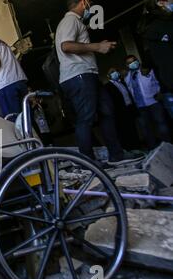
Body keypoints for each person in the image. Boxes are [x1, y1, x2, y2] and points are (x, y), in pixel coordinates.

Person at [55, 0, 142, 165]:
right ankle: (87, 163)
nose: (90, 6)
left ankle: (116, 155)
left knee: (107, 111)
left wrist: (101, 47)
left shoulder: (76, 22)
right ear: (84, 3)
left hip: (89, 74)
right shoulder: (70, 20)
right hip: (79, 75)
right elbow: (66, 46)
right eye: (89, 3)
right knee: (86, 118)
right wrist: (98, 47)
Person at [124, 55, 171, 149]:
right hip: (140, 107)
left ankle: (168, 146)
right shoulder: (127, 77)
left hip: (153, 102)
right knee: (145, 129)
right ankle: (153, 148)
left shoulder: (148, 70)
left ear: (137, 61)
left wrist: (160, 93)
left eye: (134, 61)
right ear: (126, 65)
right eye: (129, 63)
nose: (132, 64)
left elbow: (159, 81)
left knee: (161, 124)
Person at [105, 68, 142, 150]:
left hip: (129, 108)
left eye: (115, 71)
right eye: (112, 72)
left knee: (133, 129)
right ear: (108, 76)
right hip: (120, 112)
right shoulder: (107, 87)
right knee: (125, 131)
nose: (114, 73)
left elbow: (128, 95)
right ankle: (130, 148)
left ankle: (137, 146)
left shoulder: (122, 82)